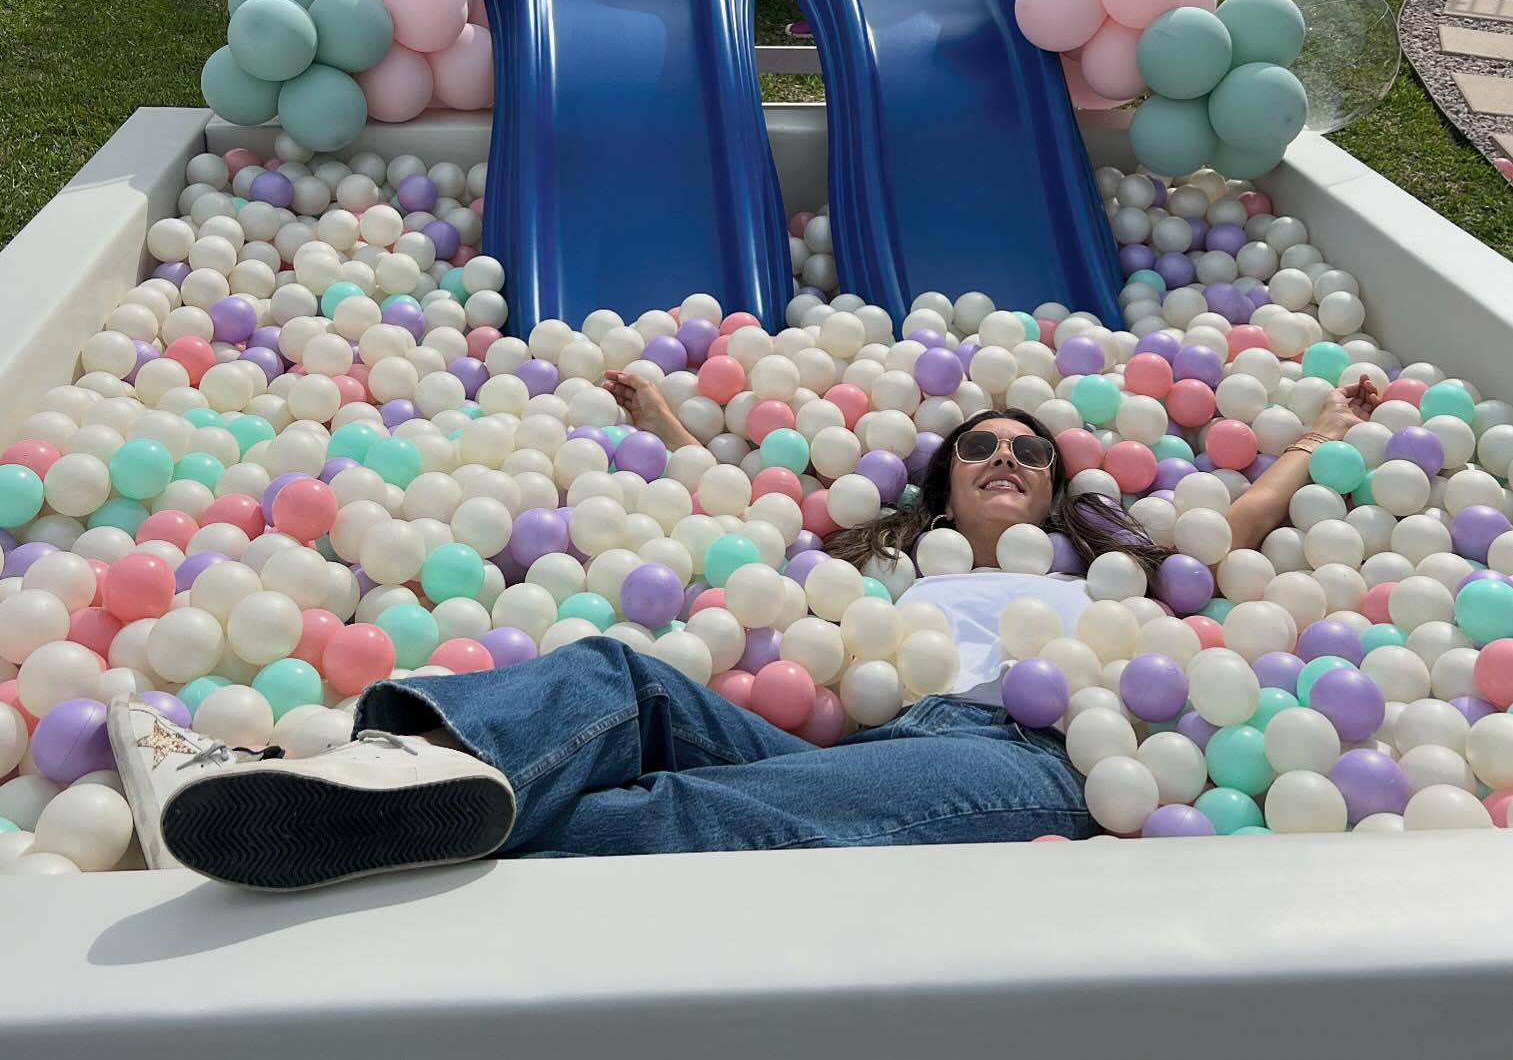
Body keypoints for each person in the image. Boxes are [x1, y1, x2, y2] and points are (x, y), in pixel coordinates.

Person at [108, 368, 1378, 892]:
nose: (1005, 455)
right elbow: (741, 516)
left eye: (1028, 450)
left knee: (685, 814)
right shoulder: (890, 562)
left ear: (1057, 487)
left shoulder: (1121, 567)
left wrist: (1323, 432)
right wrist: (663, 416)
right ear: (942, 488)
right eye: (980, 445)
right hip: (873, 742)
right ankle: (369, 782)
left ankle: (328, 836)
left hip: (1036, 754)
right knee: (617, 676)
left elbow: (1240, 522)